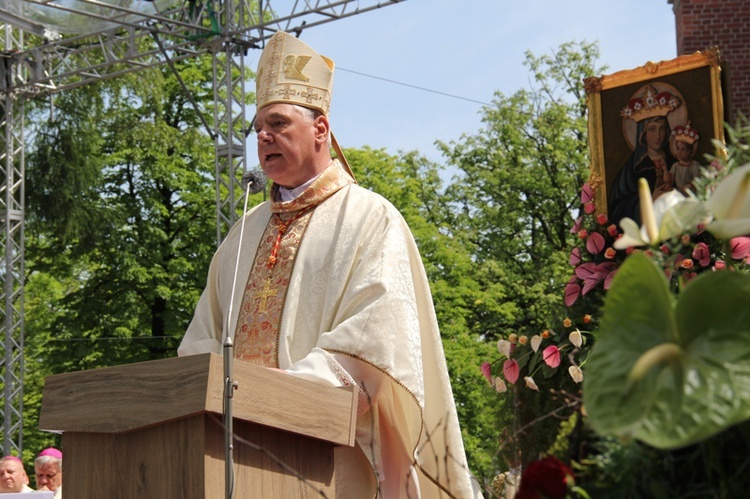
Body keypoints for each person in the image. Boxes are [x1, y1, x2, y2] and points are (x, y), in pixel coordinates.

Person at [178, 30, 481, 498]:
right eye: (258, 127)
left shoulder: (369, 218)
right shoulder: (242, 235)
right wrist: (218, 386)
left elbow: (376, 343)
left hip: (330, 463)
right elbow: (199, 340)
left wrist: (276, 393)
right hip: (231, 461)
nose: (263, 136)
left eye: (278, 123)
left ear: (321, 129)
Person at [609, 84, 681, 226]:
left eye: (662, 129)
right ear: (643, 135)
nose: (658, 135)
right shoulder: (633, 170)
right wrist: (649, 202)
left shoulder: (676, 162)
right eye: (652, 129)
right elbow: (616, 210)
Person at [669, 121, 702, 194]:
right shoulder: (675, 166)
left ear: (690, 151)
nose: (679, 152)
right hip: (678, 194)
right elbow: (669, 181)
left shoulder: (695, 166)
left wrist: (690, 186)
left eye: (683, 149)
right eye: (678, 148)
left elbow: (698, 182)